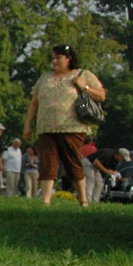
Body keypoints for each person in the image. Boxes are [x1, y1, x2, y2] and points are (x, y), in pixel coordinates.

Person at [22, 44, 105, 206]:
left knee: (72, 162)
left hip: (72, 127)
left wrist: (85, 86)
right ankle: (45, 201)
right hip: (46, 127)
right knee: (47, 162)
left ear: (69, 59)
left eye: (58, 58)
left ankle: (83, 199)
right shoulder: (45, 78)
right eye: (53, 57)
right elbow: (34, 102)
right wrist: (28, 124)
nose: (54, 61)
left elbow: (101, 96)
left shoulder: (83, 74)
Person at [81, 137, 101, 202]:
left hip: (84, 164)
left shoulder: (81, 148)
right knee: (96, 183)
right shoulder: (94, 148)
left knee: (89, 182)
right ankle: (94, 200)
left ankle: (87, 199)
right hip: (93, 165)